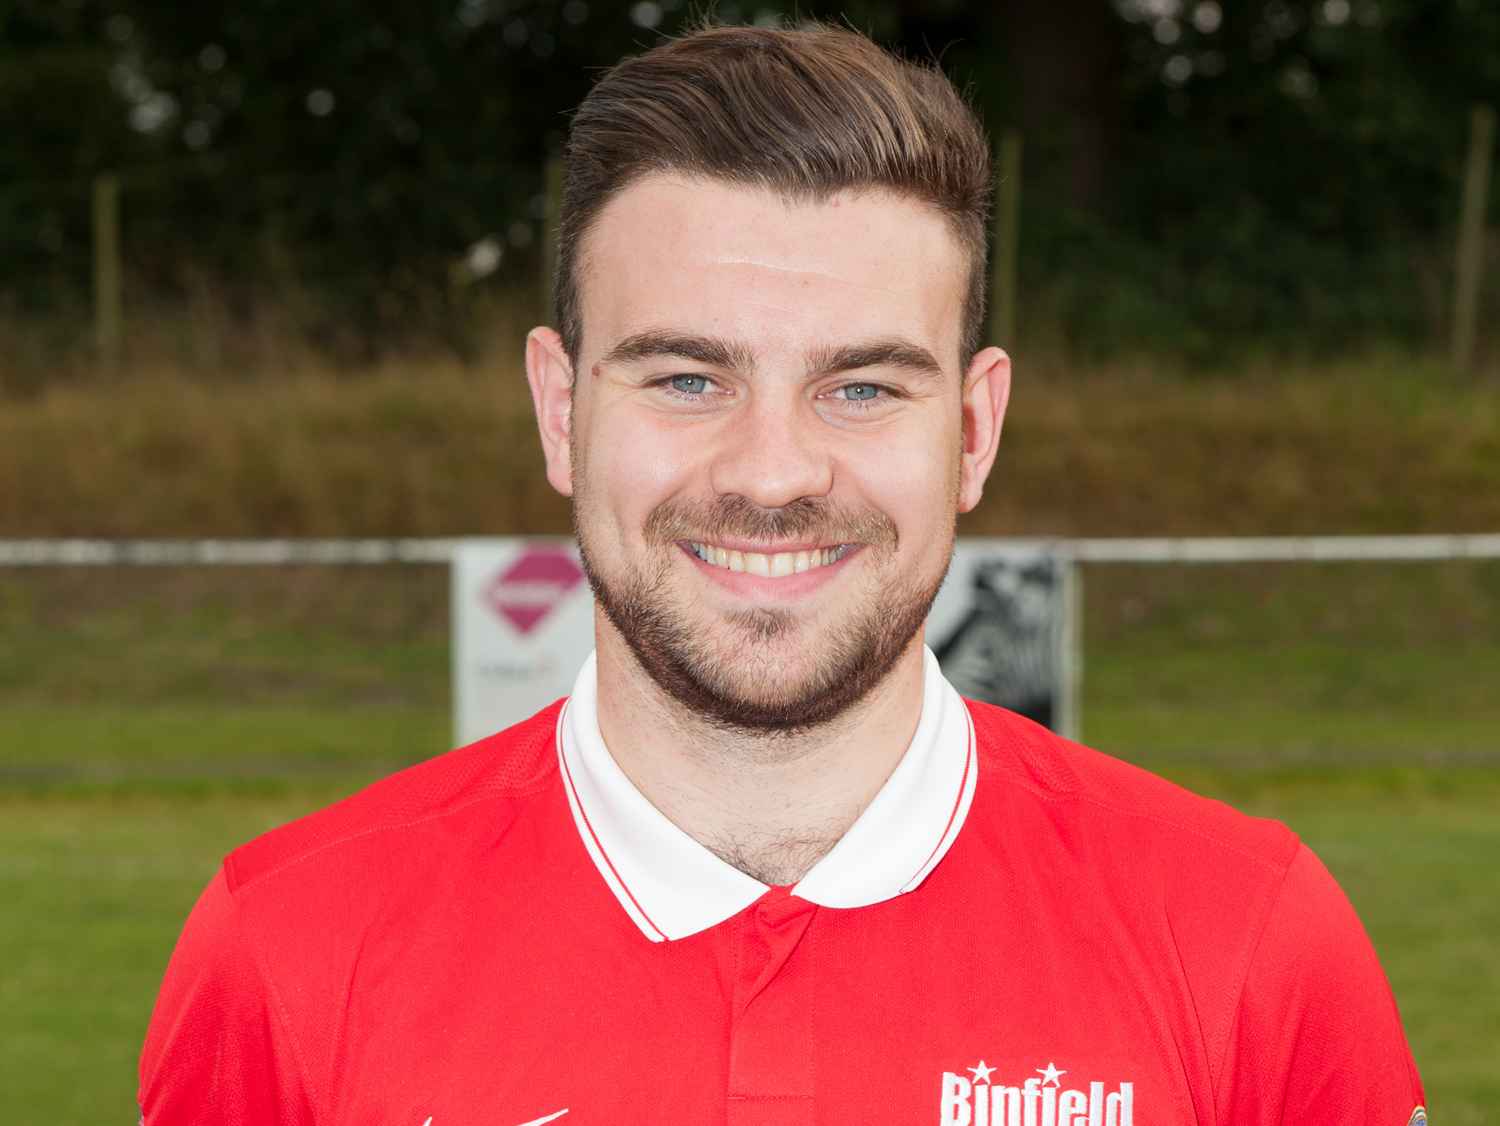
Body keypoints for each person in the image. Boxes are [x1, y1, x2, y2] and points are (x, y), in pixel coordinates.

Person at [139, 24, 1425, 1126]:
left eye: (860, 386)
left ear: (973, 431)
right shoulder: (287, 950)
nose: (772, 472)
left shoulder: (1249, 941)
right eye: (688, 378)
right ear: (557, 409)